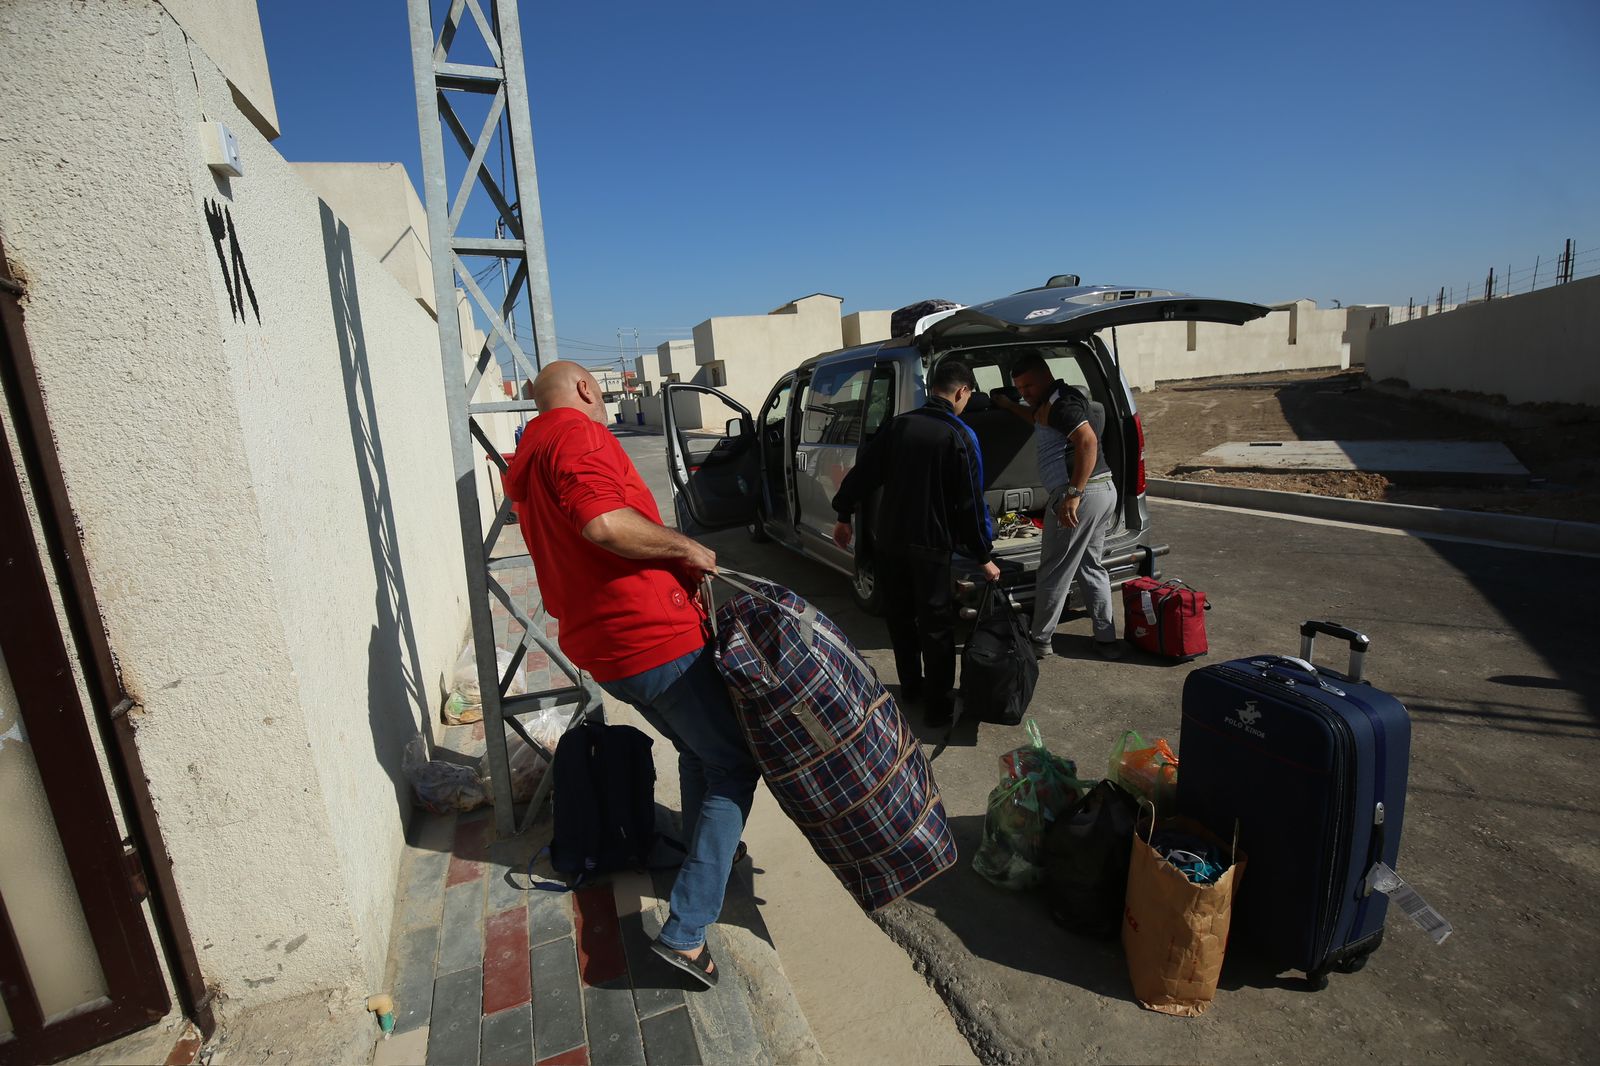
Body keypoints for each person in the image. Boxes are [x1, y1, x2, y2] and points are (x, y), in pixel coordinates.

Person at [504, 361, 758, 988]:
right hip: (650, 639)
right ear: (590, 389)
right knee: (733, 763)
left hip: (608, 649)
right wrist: (685, 548)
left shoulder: (531, 457)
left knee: (700, 753)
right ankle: (685, 932)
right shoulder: (577, 433)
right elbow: (604, 524)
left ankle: (706, 861)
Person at [829, 359, 1000, 727]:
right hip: (931, 549)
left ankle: (910, 689)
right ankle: (937, 710)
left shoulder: (898, 426)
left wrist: (843, 515)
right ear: (961, 391)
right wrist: (982, 555)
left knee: (901, 620)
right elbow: (971, 503)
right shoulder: (960, 435)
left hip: (890, 542)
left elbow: (863, 475)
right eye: (968, 396)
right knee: (936, 629)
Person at [992, 349, 1122, 660]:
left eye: (1028, 387)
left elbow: (1087, 442)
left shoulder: (1062, 404)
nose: (1025, 393)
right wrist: (1011, 406)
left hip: (1081, 496)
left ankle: (1039, 641)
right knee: (1091, 566)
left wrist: (1073, 495)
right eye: (1019, 388)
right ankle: (1106, 639)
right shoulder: (1051, 401)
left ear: (1045, 376)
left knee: (1054, 570)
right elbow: (1039, 420)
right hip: (1103, 491)